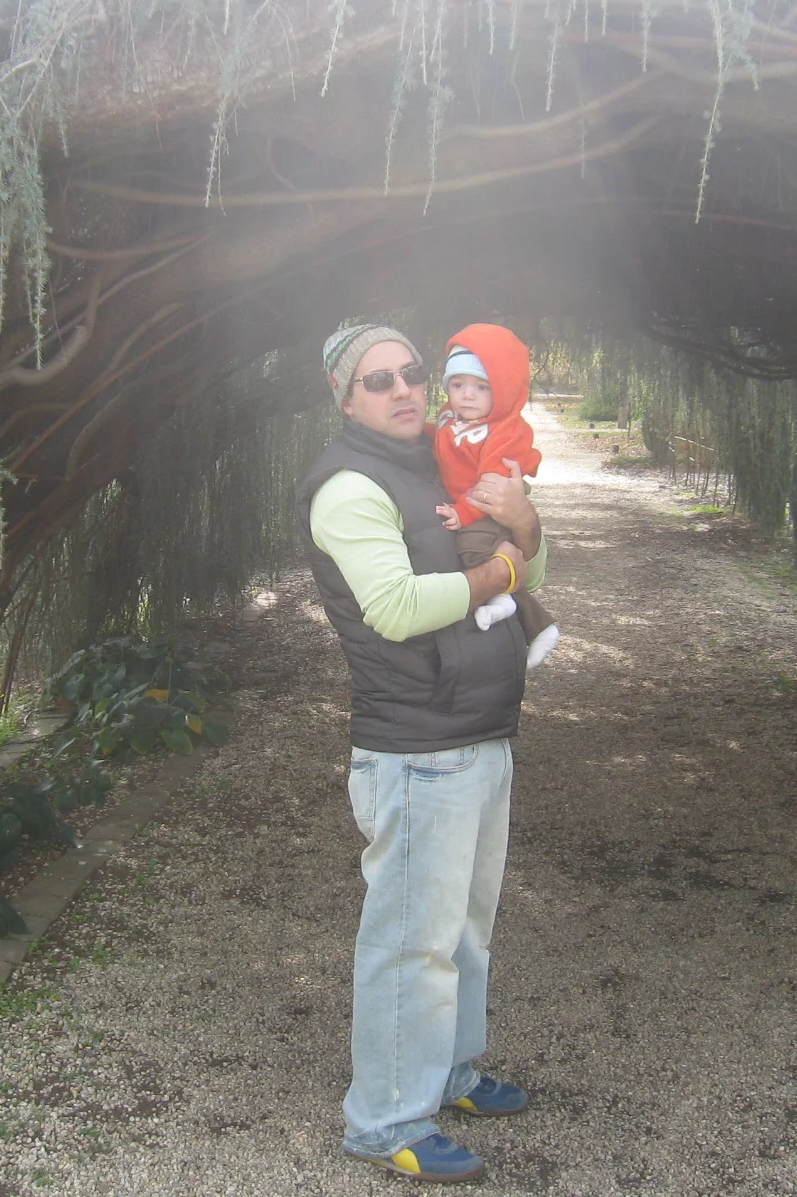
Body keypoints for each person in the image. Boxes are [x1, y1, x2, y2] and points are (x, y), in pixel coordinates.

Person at [296, 321, 546, 1184]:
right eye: (379, 380)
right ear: (346, 396)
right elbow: (398, 609)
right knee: (412, 941)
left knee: (466, 931)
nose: (404, 389)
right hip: (417, 746)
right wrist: (507, 571)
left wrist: (526, 529)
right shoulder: (347, 486)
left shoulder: (436, 463)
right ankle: (386, 1119)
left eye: (413, 372)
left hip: (480, 730)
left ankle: (452, 1074)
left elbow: (520, 568)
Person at [428, 323, 562, 669]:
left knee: (472, 547)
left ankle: (520, 612)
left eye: (480, 387)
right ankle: (520, 613)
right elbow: (439, 438)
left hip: (487, 506)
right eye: (457, 385)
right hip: (473, 500)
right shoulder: (454, 418)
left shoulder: (504, 432)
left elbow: (492, 488)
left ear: (501, 391)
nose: (466, 395)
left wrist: (464, 513)